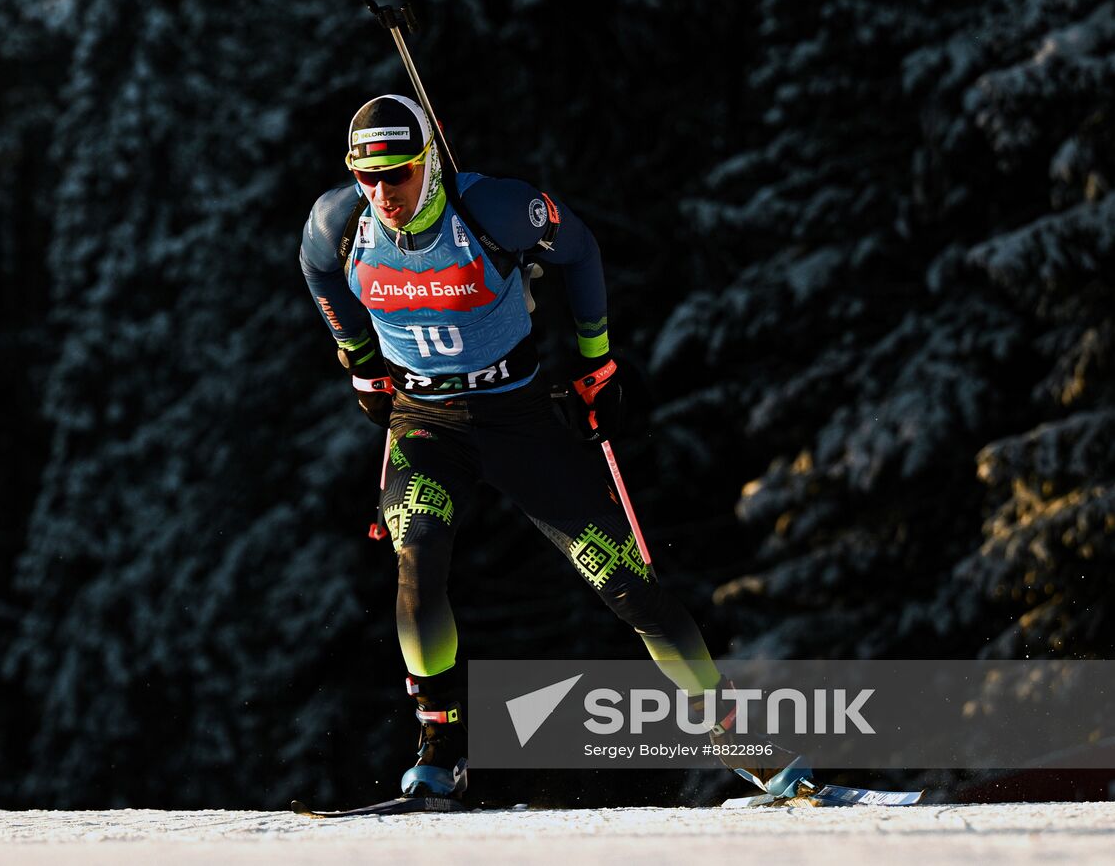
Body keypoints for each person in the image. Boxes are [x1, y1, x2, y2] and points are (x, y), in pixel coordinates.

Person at [299, 94, 810, 801]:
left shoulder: (493, 212)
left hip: (518, 418)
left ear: (431, 163)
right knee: (416, 554)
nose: (384, 193)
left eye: (400, 172)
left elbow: (579, 249)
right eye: (369, 176)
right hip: (425, 422)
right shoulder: (341, 224)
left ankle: (734, 734)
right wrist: (357, 355)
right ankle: (441, 741)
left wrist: (596, 362)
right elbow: (318, 270)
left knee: (627, 583)